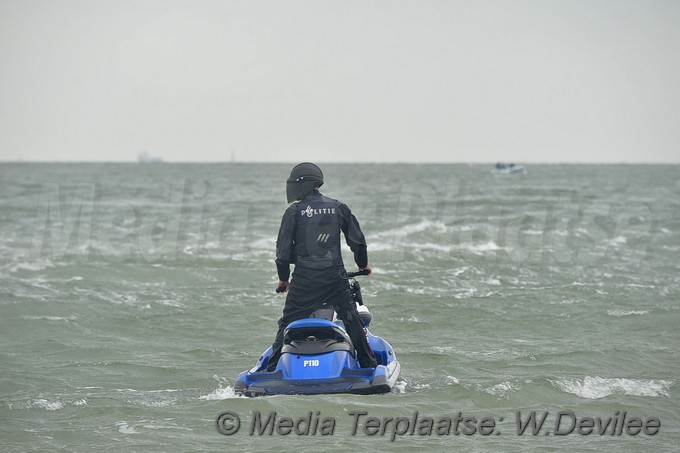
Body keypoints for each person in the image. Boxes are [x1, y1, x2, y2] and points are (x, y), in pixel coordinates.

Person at [265, 162, 378, 371]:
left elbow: (282, 252)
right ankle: (369, 365)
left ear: (302, 185)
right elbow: (358, 243)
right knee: (352, 320)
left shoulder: (294, 210)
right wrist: (363, 266)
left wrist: (284, 279)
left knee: (286, 324)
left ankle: (269, 369)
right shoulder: (338, 207)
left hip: (304, 281)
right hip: (335, 278)